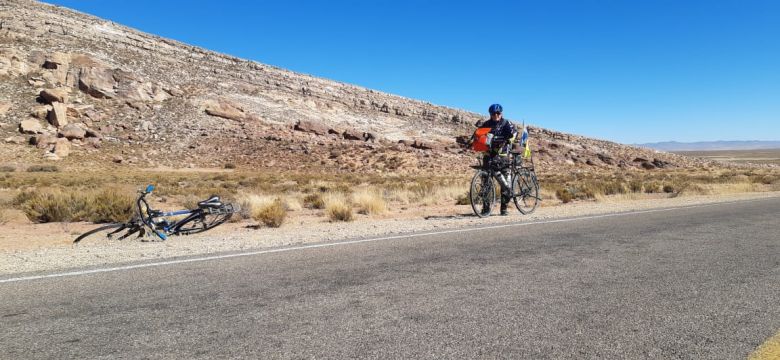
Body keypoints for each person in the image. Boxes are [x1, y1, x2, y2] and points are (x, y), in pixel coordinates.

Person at [475, 103, 518, 216]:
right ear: (490, 114)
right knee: (486, 183)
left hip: (503, 156)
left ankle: (504, 209)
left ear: (501, 113)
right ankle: (486, 208)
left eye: (498, 113)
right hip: (489, 156)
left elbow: (514, 133)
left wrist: (509, 139)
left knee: (506, 185)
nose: (496, 115)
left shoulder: (506, 123)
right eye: (493, 113)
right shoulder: (486, 124)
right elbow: (479, 136)